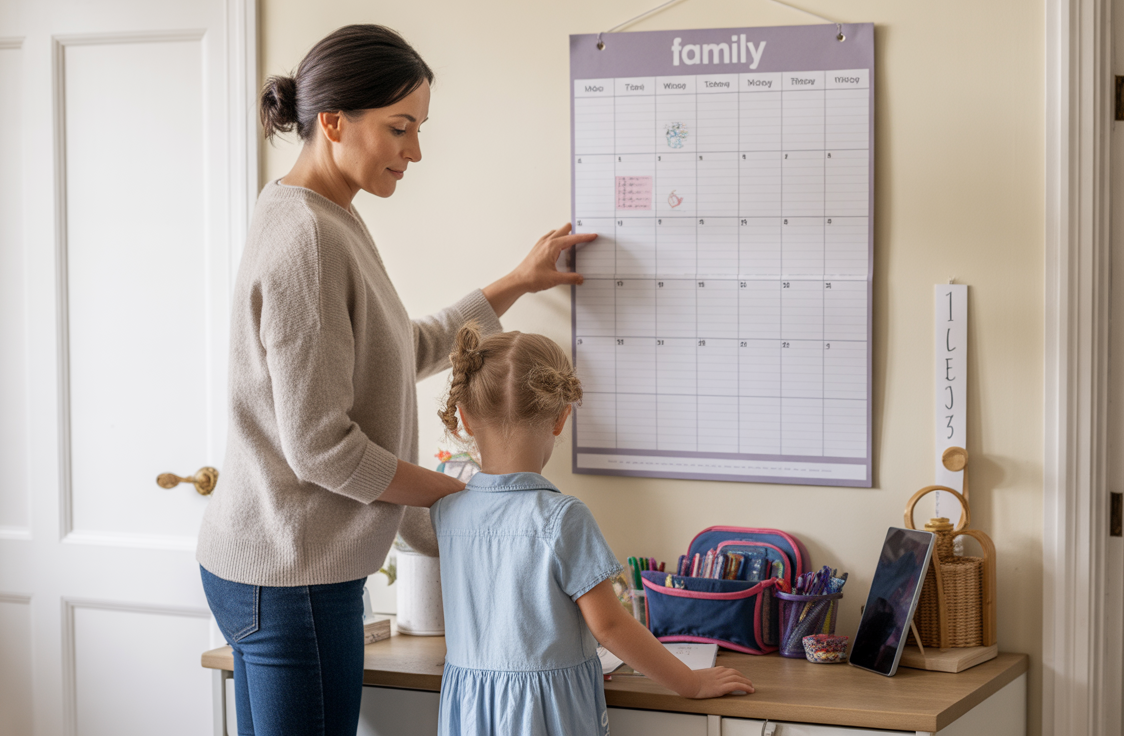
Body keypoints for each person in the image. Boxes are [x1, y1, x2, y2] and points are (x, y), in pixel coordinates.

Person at [195, 24, 595, 735]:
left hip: (275, 567)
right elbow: (322, 448)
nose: (415, 152)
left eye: (419, 128)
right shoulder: (310, 238)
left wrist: (517, 283)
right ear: (333, 121)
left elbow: (396, 350)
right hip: (294, 576)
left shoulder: (322, 211)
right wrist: (468, 498)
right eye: (400, 129)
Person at [432, 324, 755, 735]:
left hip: (470, 709)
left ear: (464, 417)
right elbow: (611, 627)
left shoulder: (447, 510)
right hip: (546, 713)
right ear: (561, 417)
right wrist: (690, 682)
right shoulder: (561, 516)